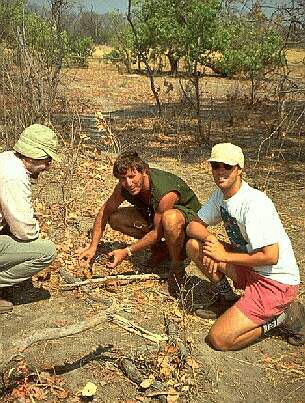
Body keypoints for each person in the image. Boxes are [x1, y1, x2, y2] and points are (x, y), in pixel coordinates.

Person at [186, 142, 304, 351]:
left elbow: (271, 256)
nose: (220, 172)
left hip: (274, 281)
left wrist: (223, 255)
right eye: (216, 166)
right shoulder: (220, 195)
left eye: (227, 167)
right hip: (251, 267)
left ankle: (281, 317)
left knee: (219, 339)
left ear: (239, 169)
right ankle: (226, 298)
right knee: (195, 245)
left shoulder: (254, 203)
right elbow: (193, 226)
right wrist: (211, 239)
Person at [78, 151, 201, 295]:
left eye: (132, 176)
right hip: (156, 216)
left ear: (144, 171)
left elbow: (157, 232)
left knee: (170, 219)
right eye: (123, 178)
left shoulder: (165, 193)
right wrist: (92, 247)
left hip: (189, 224)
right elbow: (105, 211)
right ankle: (163, 249)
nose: (128, 183)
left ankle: (177, 266)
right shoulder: (123, 187)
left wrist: (127, 251)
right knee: (115, 218)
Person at [0, 124, 59, 313]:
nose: (48, 166)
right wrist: (36, 231)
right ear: (32, 155)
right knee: (46, 251)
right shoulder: (14, 176)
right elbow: (25, 231)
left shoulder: (7, 159)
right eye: (47, 159)